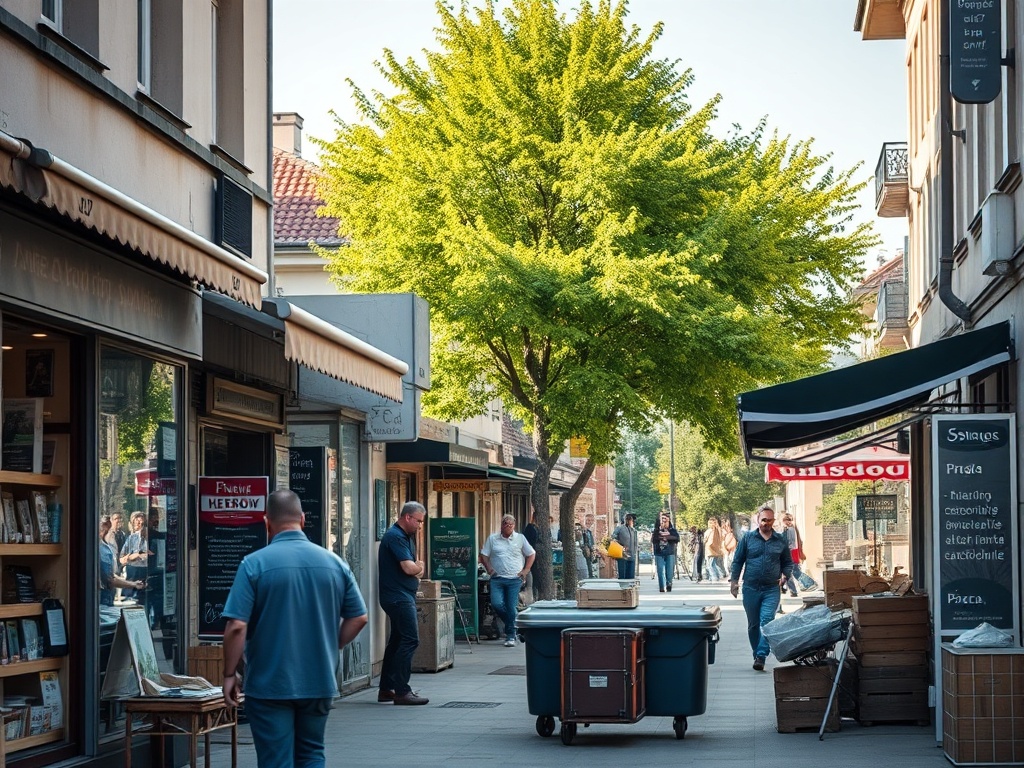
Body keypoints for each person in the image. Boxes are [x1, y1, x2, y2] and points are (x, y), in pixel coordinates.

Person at [221, 490, 368, 768]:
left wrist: (229, 674)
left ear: (267, 523)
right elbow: (359, 617)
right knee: (312, 753)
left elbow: (237, 625)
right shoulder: (335, 563)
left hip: (269, 684)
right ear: (303, 519)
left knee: (276, 759)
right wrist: (331, 644)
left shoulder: (254, 564)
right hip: (319, 679)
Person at [730, 504, 794, 671]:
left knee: (767, 621)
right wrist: (734, 581)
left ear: (773, 521)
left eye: (769, 520)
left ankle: (761, 655)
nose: (766, 523)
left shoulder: (780, 540)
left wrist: (785, 575)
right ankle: (757, 653)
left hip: (771, 588)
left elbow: (787, 562)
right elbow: (738, 560)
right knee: (753, 624)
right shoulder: (748, 538)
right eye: (763, 520)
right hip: (750, 587)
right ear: (757, 520)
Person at [377, 501, 429, 704]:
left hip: (401, 596)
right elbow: (409, 568)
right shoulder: (395, 537)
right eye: (418, 521)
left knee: (397, 641)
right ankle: (401, 690)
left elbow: (415, 568)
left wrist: (418, 567)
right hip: (398, 598)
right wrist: (418, 567)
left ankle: (386, 689)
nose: (420, 525)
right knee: (410, 639)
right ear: (407, 517)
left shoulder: (405, 536)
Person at [479, 514, 535, 647]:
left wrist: (525, 570)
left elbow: (531, 553)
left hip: (514, 579)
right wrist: (489, 569)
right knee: (497, 604)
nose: (508, 526)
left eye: (511, 524)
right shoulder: (493, 539)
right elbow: (484, 555)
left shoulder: (520, 538)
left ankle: (511, 635)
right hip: (497, 578)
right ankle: (515, 625)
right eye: (506, 524)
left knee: (511, 606)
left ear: (514, 525)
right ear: (502, 525)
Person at [99, 516, 144, 606]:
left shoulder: (104, 545)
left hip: (107, 597)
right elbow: (110, 580)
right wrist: (133, 585)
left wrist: (133, 583)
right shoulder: (101, 549)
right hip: (103, 599)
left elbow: (110, 575)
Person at [119, 511, 150, 598]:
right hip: (132, 571)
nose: (138, 524)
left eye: (141, 522)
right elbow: (122, 559)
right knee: (129, 599)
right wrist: (134, 555)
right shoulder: (131, 538)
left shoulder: (151, 537)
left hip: (146, 571)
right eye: (135, 521)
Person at [651, 512, 679, 592]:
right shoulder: (656, 530)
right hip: (659, 552)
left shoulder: (672, 530)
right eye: (662, 520)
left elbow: (677, 538)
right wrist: (660, 535)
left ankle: (669, 584)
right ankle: (661, 586)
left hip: (670, 552)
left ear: (668, 521)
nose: (664, 522)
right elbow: (654, 539)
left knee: (669, 570)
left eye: (665, 520)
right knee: (660, 570)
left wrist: (667, 537)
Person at [611, 513, 638, 579]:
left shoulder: (634, 531)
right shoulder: (620, 528)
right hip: (622, 555)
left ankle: (629, 588)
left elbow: (635, 543)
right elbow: (613, 537)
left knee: (631, 576)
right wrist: (620, 544)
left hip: (632, 555)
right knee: (622, 574)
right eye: (629, 519)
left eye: (632, 520)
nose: (631, 521)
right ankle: (623, 588)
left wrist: (635, 551)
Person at [705, 517, 726, 582]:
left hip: (710, 550)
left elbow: (706, 539)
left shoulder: (710, 531)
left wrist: (706, 543)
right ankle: (719, 575)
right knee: (714, 564)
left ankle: (714, 576)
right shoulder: (718, 531)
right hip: (716, 550)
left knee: (710, 565)